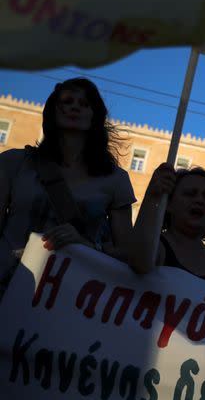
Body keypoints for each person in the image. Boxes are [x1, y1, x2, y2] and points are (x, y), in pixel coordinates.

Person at [0, 78, 135, 289]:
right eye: (67, 101)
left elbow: (128, 253)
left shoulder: (116, 180)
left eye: (84, 104)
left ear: (95, 116)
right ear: (52, 111)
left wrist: (88, 246)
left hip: (68, 296)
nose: (74, 106)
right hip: (6, 283)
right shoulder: (14, 162)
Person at [128, 165, 205, 286]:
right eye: (190, 194)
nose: (200, 200)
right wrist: (152, 196)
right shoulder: (157, 246)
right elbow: (139, 262)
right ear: (169, 204)